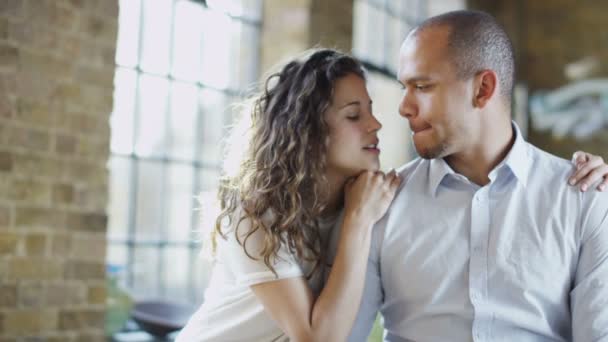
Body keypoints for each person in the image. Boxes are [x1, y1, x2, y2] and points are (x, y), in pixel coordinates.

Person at [349, 10, 608, 342]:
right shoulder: (379, 205)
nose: (403, 107)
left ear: (483, 88)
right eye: (404, 87)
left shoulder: (583, 199)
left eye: (422, 86)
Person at [177, 49, 401, 341]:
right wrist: (358, 223)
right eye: (354, 115)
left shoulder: (364, 200)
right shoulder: (253, 210)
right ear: (308, 131)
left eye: (370, 111)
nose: (375, 124)